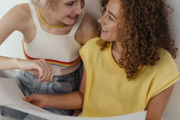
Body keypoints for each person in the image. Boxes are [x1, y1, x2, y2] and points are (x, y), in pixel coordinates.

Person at [23, 0, 180, 119]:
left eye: (110, 18)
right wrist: (46, 100)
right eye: (105, 12)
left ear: (133, 26)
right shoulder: (94, 49)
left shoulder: (162, 67)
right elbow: (84, 97)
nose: (100, 20)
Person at [0, 0, 98, 120]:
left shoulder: (87, 27)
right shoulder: (22, 14)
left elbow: (83, 96)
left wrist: (48, 101)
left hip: (57, 101)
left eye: (82, 1)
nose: (79, 10)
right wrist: (18, 63)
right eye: (70, 3)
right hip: (22, 89)